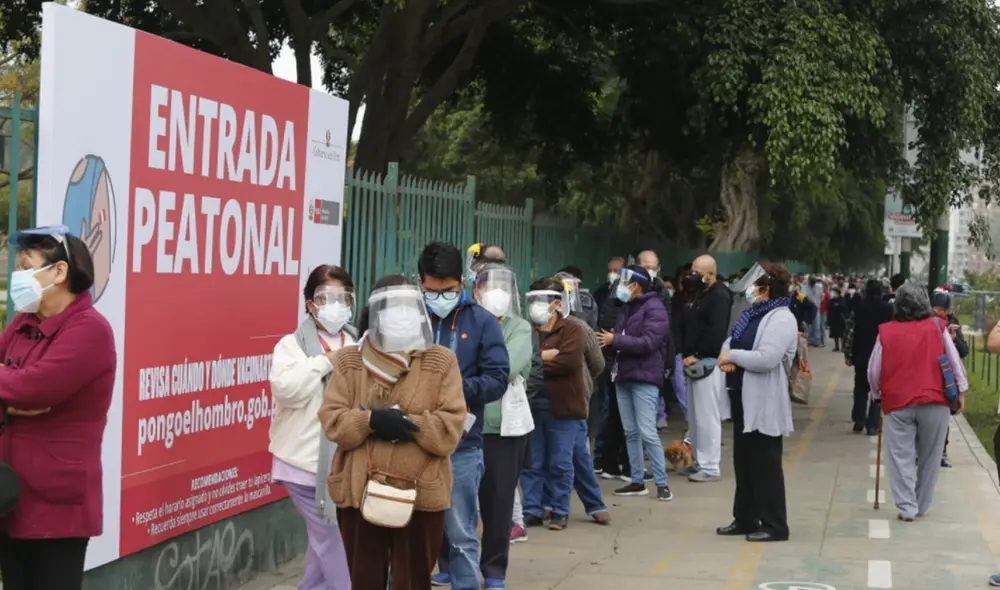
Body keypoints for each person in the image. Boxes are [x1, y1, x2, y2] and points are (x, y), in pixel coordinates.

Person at [319, 284, 466, 590]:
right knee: (364, 580)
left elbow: (450, 429)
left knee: (414, 580)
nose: (401, 315)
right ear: (376, 315)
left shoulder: (441, 360)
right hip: (359, 492)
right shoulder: (349, 361)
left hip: (421, 494)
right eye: (392, 308)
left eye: (407, 308)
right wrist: (370, 420)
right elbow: (333, 423)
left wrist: (410, 423)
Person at [0, 226, 115, 590]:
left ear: (59, 272)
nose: (17, 276)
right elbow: (20, 390)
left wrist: (19, 392)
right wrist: (11, 403)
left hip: (57, 501)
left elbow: (34, 388)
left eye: (26, 267)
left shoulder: (90, 330)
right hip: (11, 493)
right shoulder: (24, 322)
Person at [421, 242, 510, 590]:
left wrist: (453, 388)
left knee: (460, 534)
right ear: (420, 283)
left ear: (462, 282)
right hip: (411, 440)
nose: (439, 298)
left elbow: (497, 378)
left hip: (462, 444)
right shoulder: (410, 318)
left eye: (448, 290)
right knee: (407, 533)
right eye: (431, 291)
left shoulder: (482, 322)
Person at [269, 265, 356, 590]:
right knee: (335, 541)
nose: (336, 305)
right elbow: (285, 390)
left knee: (322, 550)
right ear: (310, 304)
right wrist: (326, 361)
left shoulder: (356, 340)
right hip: (303, 465)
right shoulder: (291, 345)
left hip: (344, 463)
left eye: (342, 297)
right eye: (326, 298)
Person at [867, 283, 967, 522]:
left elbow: (873, 370)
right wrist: (961, 391)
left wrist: (876, 394)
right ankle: (921, 504)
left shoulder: (886, 332)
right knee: (931, 456)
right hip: (935, 399)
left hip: (898, 401)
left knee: (900, 455)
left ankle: (906, 507)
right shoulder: (938, 326)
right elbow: (954, 359)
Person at [716, 263, 796, 542]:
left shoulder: (781, 318)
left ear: (767, 288)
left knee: (766, 463)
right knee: (744, 460)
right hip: (741, 396)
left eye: (754, 284)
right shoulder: (752, 314)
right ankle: (745, 518)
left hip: (764, 400)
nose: (748, 289)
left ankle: (775, 524)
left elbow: (767, 358)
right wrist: (726, 353)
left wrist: (732, 357)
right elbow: (731, 340)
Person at [473, 263, 532, 589]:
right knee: (455, 501)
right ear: (476, 291)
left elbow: (507, 368)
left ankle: (494, 570)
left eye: (504, 288)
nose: (497, 293)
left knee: (499, 504)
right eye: (489, 287)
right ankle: (450, 562)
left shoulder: (519, 327)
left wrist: (474, 366)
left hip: (503, 428)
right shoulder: (465, 321)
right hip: (464, 424)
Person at [521, 278, 592, 529]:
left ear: (557, 304)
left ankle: (560, 510)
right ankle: (532, 509)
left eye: (544, 300)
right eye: (534, 300)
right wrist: (546, 357)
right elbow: (518, 362)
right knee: (532, 462)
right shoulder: (526, 330)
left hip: (564, 406)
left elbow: (569, 362)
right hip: (533, 404)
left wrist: (536, 361)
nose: (537, 306)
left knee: (561, 462)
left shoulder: (572, 328)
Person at [598, 265, 673, 500]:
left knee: (647, 432)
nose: (620, 286)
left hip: (644, 377)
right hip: (624, 374)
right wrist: (615, 340)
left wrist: (616, 340)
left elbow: (649, 343)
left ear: (636, 285)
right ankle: (637, 481)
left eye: (624, 282)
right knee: (630, 432)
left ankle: (662, 484)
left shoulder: (655, 308)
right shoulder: (627, 307)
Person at [677, 255, 732, 483]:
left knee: (707, 417)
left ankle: (710, 466)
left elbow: (716, 332)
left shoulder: (719, 296)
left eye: (697, 272)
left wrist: (697, 355)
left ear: (710, 274)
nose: (692, 275)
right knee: (696, 418)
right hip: (695, 362)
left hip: (707, 363)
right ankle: (699, 461)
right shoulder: (703, 294)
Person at [843, 279, 893, 435]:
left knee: (860, 387)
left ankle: (859, 419)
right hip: (881, 356)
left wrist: (848, 354)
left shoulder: (859, 308)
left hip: (861, 354)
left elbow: (850, 332)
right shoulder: (888, 309)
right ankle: (873, 424)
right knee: (877, 390)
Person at [930, 291, 968, 468]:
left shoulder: (952, 323)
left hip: (945, 378)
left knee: (943, 415)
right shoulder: (923, 321)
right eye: (935, 309)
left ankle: (941, 451)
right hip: (930, 375)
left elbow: (963, 351)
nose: (939, 313)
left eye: (942, 310)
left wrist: (954, 340)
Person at [804, 277, 824, 347]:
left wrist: (818, 303)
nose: (812, 283)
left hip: (816, 308)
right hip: (808, 309)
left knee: (817, 326)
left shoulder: (819, 288)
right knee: (808, 326)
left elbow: (822, 297)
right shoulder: (805, 288)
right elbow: (803, 297)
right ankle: (808, 340)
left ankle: (817, 341)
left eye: (813, 282)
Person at [827, 287, 848, 352]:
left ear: (838, 293)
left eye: (834, 292)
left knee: (842, 334)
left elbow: (843, 307)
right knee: (835, 334)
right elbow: (829, 306)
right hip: (833, 319)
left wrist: (837, 305)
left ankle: (843, 347)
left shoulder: (842, 299)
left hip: (840, 319)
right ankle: (836, 347)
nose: (833, 294)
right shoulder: (832, 300)